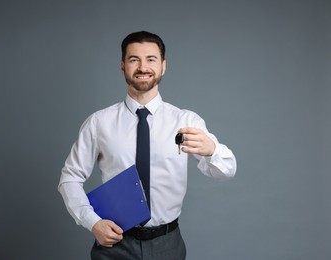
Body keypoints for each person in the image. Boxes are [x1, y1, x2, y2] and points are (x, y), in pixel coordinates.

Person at [58, 31, 236, 260]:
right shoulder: (98, 123)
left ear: (163, 66)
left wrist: (213, 151)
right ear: (123, 66)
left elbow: (227, 171)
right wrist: (92, 222)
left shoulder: (186, 121)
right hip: (115, 244)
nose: (143, 67)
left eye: (151, 59)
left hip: (168, 244)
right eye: (134, 59)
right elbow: (69, 178)